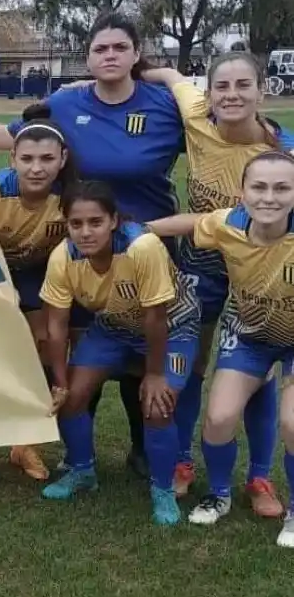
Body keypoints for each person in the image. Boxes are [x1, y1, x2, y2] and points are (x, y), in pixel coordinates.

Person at [0, 12, 191, 479]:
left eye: (120, 47)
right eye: (100, 49)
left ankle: (142, 449)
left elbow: (218, 135)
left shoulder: (165, 104)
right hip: (82, 250)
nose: (110, 55)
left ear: (136, 53)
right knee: (82, 349)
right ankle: (78, 457)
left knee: (140, 352)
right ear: (87, 58)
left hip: (148, 246)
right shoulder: (66, 103)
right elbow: (13, 137)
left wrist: (170, 77)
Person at [138, 55, 292, 515]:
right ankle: (184, 461)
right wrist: (98, 81)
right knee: (192, 363)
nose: (232, 94)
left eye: (244, 85)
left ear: (262, 91)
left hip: (263, 261)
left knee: (261, 361)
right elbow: (168, 75)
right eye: (221, 86)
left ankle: (259, 477)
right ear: (208, 92)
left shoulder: (284, 152)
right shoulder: (196, 112)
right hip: (203, 256)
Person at [40, 181, 199, 526]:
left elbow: (156, 316)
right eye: (76, 223)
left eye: (95, 222)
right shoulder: (63, 257)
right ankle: (82, 472)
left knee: (158, 405)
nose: (85, 232)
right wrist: (60, 382)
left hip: (173, 329)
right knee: (72, 398)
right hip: (114, 327)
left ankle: (162, 489)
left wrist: (154, 374)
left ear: (113, 220)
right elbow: (56, 326)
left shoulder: (143, 246)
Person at [0, 117, 77, 480]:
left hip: (39, 273)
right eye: (27, 159)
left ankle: (26, 443)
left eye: (47, 159)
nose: (36, 168)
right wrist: (0, 288)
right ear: (12, 158)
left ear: (63, 159)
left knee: (43, 347)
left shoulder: (70, 196)